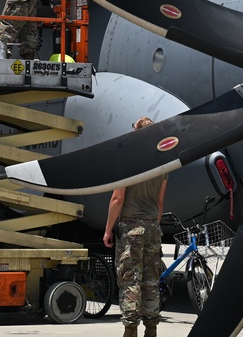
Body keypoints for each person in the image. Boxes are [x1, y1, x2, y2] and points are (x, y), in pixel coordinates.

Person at [103, 116, 168, 337]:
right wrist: (153, 226)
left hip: (131, 227)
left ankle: (130, 330)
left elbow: (117, 199)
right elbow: (160, 202)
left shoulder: (126, 162)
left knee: (130, 280)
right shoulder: (162, 164)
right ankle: (151, 330)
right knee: (151, 280)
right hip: (152, 227)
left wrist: (108, 229)